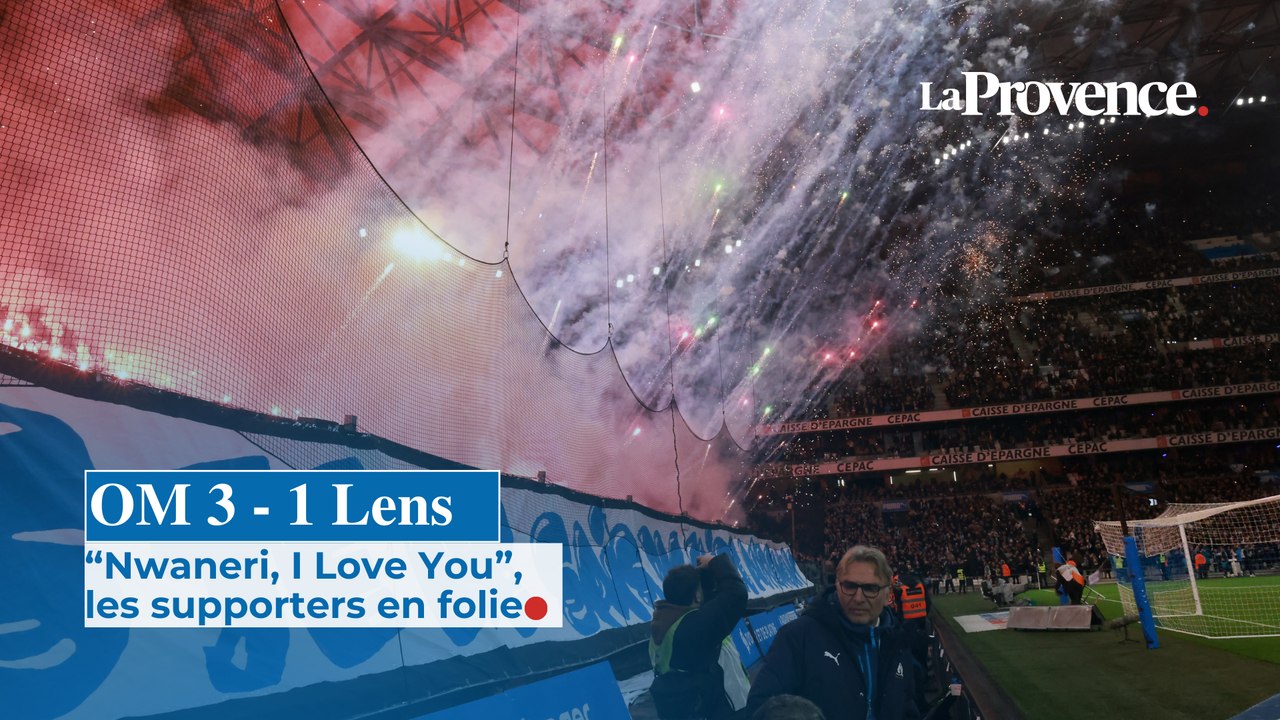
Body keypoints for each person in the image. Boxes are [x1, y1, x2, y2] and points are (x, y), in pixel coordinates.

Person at [745, 545, 920, 720]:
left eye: (870, 589)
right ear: (837, 585)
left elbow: (906, 707)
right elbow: (760, 707)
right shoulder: (798, 637)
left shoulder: (897, 642)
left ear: (887, 592)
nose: (858, 598)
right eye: (850, 586)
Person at [649, 553, 748, 720]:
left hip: (689, 705)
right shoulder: (694, 628)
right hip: (718, 709)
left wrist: (705, 576)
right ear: (697, 596)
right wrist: (715, 562)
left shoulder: (667, 620)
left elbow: (707, 606)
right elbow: (736, 594)